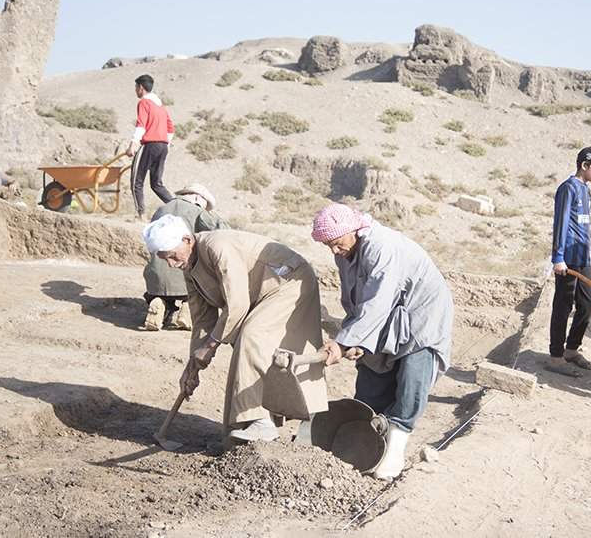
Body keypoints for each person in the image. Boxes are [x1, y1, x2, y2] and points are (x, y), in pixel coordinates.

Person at [142, 215, 328, 444]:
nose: (171, 264)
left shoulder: (217, 247)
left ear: (187, 239)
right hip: (260, 296)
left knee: (252, 336)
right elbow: (202, 319)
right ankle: (239, 431)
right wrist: (194, 364)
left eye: (171, 256)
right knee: (243, 345)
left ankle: (260, 421)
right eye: (164, 259)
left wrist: (211, 346)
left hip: (290, 282)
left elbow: (237, 305)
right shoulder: (189, 268)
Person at [311, 203, 453, 480]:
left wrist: (342, 343)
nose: (334, 251)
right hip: (385, 318)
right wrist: (354, 340)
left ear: (353, 231)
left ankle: (393, 455)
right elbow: (355, 300)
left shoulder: (381, 248)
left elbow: (377, 302)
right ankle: (368, 443)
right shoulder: (345, 252)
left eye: (337, 244)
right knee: (371, 380)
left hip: (421, 316)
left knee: (412, 379)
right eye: (328, 246)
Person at [547, 146, 591, 377]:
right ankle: (556, 357)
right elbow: (561, 223)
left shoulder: (584, 190)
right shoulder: (568, 189)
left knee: (587, 305)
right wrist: (558, 258)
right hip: (567, 260)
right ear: (585, 166)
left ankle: (571, 350)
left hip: (583, 258)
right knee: (563, 306)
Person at [142, 184, 228, 331]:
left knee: (161, 290)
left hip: (155, 275)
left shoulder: (162, 209)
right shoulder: (199, 212)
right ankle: (188, 309)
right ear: (197, 198)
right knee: (195, 286)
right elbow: (222, 231)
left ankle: (158, 301)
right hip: (182, 274)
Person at [125, 74, 175, 219]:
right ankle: (177, 206)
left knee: (136, 181)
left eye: (136, 87)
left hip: (150, 145)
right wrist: (166, 142)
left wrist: (133, 144)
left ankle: (140, 214)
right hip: (163, 146)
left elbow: (141, 124)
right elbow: (170, 128)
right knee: (157, 183)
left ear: (141, 87)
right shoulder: (161, 106)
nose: (135, 90)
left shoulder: (144, 103)